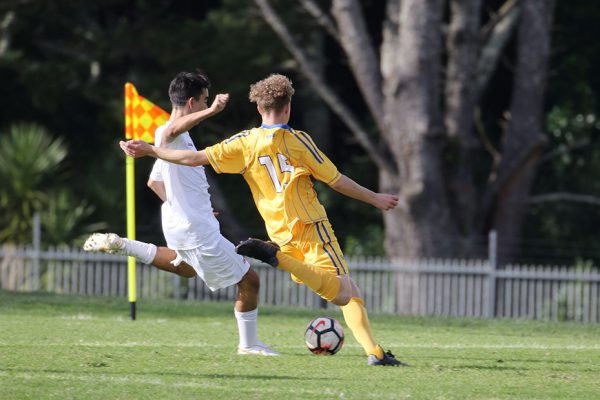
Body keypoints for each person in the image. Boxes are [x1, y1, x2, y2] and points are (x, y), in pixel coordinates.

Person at [120, 73, 405, 366]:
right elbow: (336, 180)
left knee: (346, 291)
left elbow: (195, 159)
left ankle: (376, 352)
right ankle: (278, 259)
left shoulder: (244, 142)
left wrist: (152, 150)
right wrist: (375, 198)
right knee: (346, 293)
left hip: (278, 229)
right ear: (288, 108)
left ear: (258, 108)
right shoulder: (298, 141)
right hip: (310, 225)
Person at [85, 71, 277, 356]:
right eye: (204, 100)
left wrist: (188, 202)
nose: (206, 104)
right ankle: (248, 346)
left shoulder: (168, 139)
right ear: (191, 102)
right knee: (250, 280)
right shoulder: (169, 134)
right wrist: (213, 112)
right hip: (195, 227)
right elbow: (172, 131)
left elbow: (154, 183)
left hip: (178, 221)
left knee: (186, 268)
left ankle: (123, 244)